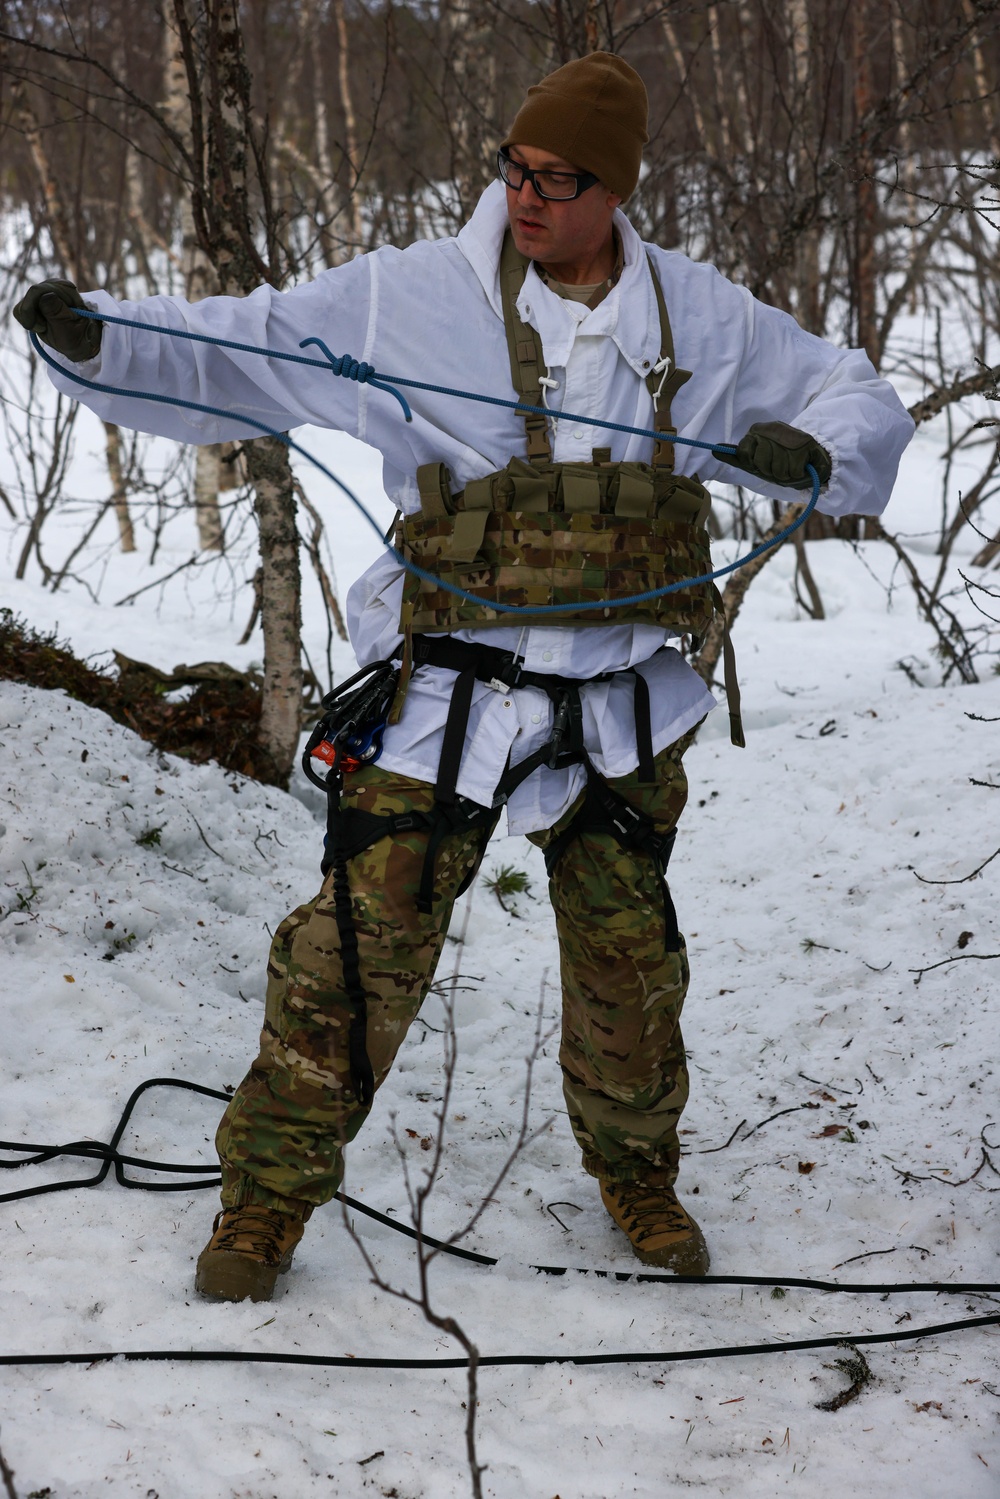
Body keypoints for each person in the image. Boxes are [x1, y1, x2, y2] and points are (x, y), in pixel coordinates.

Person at [15, 53, 914, 1302]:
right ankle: (263, 1202)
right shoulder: (413, 299)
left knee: (629, 963)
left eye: (561, 177)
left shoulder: (697, 320)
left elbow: (850, 392)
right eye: (514, 167)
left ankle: (638, 1176)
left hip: (614, 703)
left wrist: (809, 451)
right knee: (348, 955)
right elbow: (247, 345)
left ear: (617, 190)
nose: (528, 194)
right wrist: (100, 338)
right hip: (448, 699)